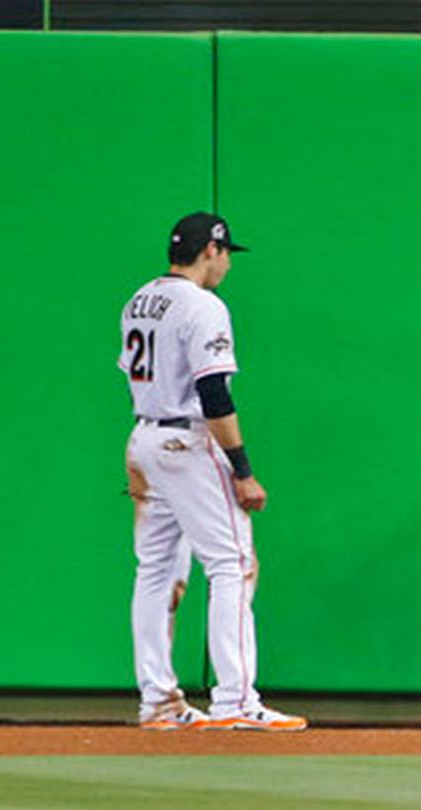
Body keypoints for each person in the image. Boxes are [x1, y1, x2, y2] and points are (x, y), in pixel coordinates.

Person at [120, 212, 306, 731]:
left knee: (154, 570)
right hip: (186, 438)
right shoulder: (203, 306)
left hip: (144, 437)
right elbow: (214, 392)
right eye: (226, 253)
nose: (227, 264)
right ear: (210, 250)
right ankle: (237, 700)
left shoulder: (139, 299)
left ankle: (158, 700)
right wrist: (243, 470)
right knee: (232, 563)